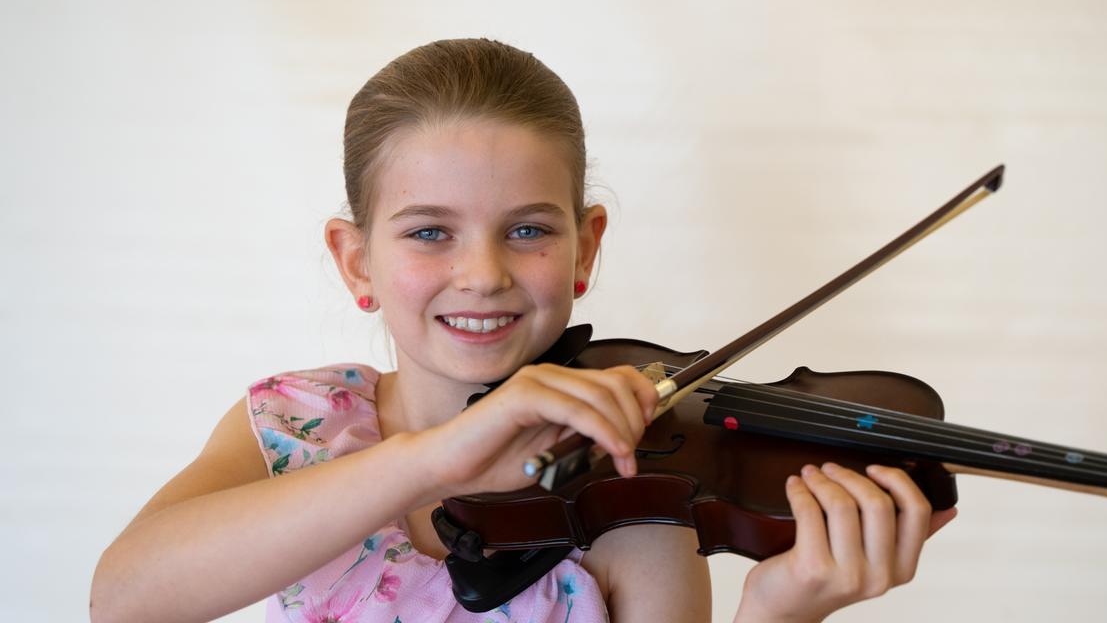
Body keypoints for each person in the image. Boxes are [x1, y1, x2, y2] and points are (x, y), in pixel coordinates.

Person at [91, 38, 957, 623]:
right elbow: (123, 598)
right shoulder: (297, 426)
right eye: (430, 231)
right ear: (356, 262)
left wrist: (777, 614)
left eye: (529, 229)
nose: (484, 275)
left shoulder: (626, 517)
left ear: (586, 250)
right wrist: (442, 455)